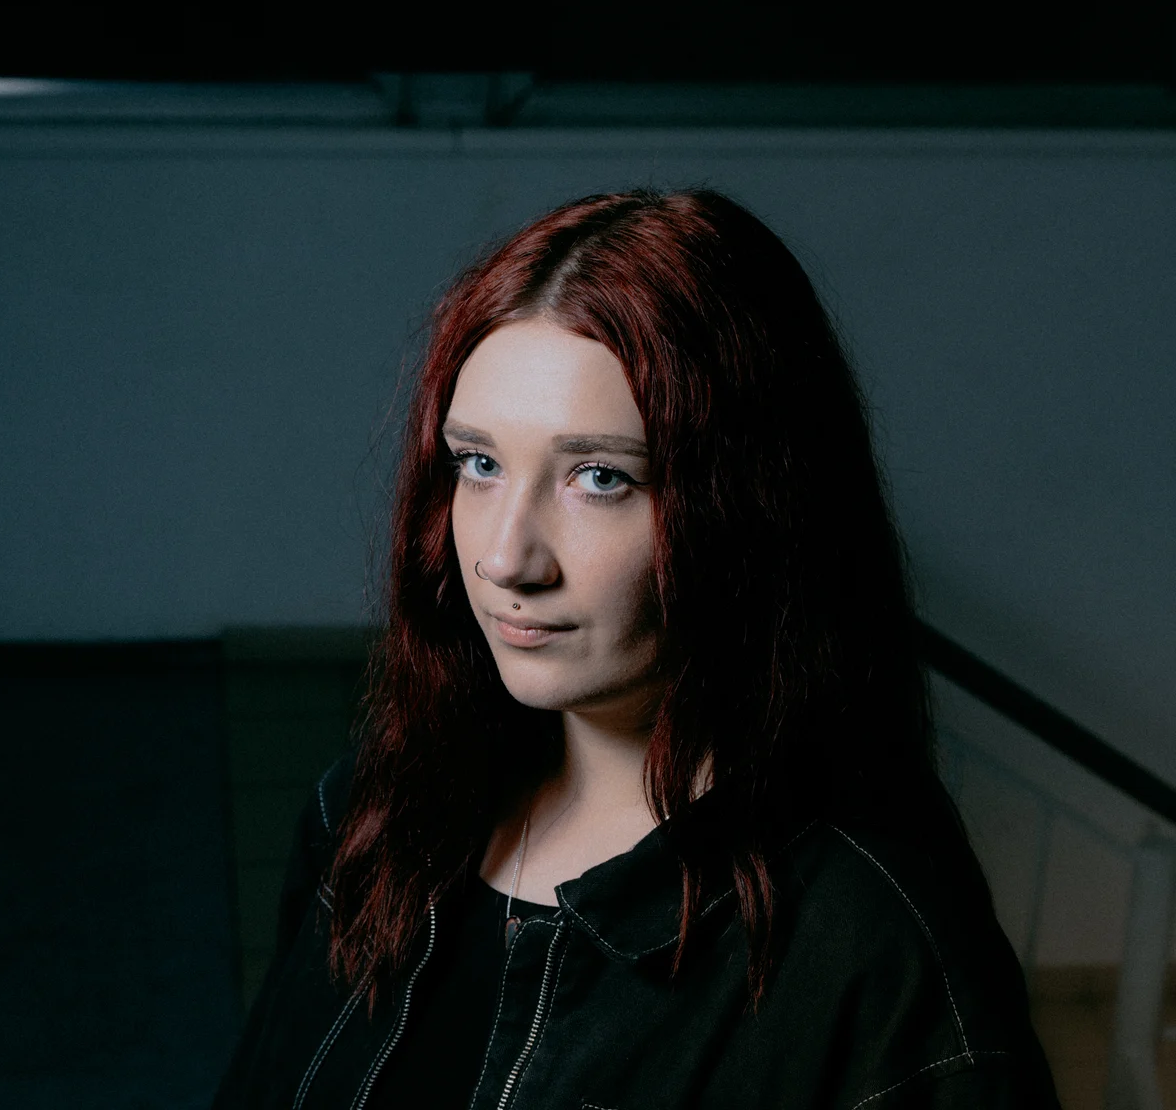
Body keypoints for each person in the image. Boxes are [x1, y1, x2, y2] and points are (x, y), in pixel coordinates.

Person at [213, 189, 1060, 1109]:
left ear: (751, 506)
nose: (506, 557)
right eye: (479, 464)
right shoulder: (373, 813)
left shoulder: (873, 947)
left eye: (600, 477)